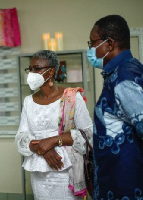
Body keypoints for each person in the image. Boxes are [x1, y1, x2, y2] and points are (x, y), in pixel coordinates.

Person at [15, 50, 93, 200]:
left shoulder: (72, 98)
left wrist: (52, 141)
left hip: (65, 170)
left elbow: (88, 134)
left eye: (37, 69)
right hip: (39, 172)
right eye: (30, 69)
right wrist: (42, 149)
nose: (32, 73)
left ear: (50, 72)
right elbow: (21, 137)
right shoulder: (28, 101)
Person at [87, 15, 143, 199]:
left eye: (92, 43)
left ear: (109, 44)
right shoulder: (119, 73)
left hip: (126, 187)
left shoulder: (124, 78)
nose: (90, 49)